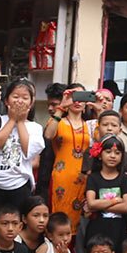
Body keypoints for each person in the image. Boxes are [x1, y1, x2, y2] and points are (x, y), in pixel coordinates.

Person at [0, 78, 43, 243]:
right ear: (6, 100)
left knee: (17, 229)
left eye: (24, 97)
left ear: (31, 102)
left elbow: (28, 151)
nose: (19, 101)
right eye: (15, 96)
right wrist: (13, 119)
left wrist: (20, 121)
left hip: (19, 185)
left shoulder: (35, 128)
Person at [46, 82, 93, 234]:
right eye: (74, 97)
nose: (77, 101)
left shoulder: (91, 125)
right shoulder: (58, 121)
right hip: (62, 179)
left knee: (81, 225)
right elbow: (48, 135)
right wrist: (62, 107)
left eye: (81, 97)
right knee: (59, 222)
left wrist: (99, 108)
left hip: (84, 181)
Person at [83, 135, 127, 250]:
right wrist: (116, 200)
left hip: (119, 231)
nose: (112, 156)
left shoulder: (125, 179)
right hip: (97, 231)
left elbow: (126, 207)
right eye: (108, 151)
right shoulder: (93, 178)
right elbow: (91, 204)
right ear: (100, 155)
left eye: (117, 153)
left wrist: (99, 205)